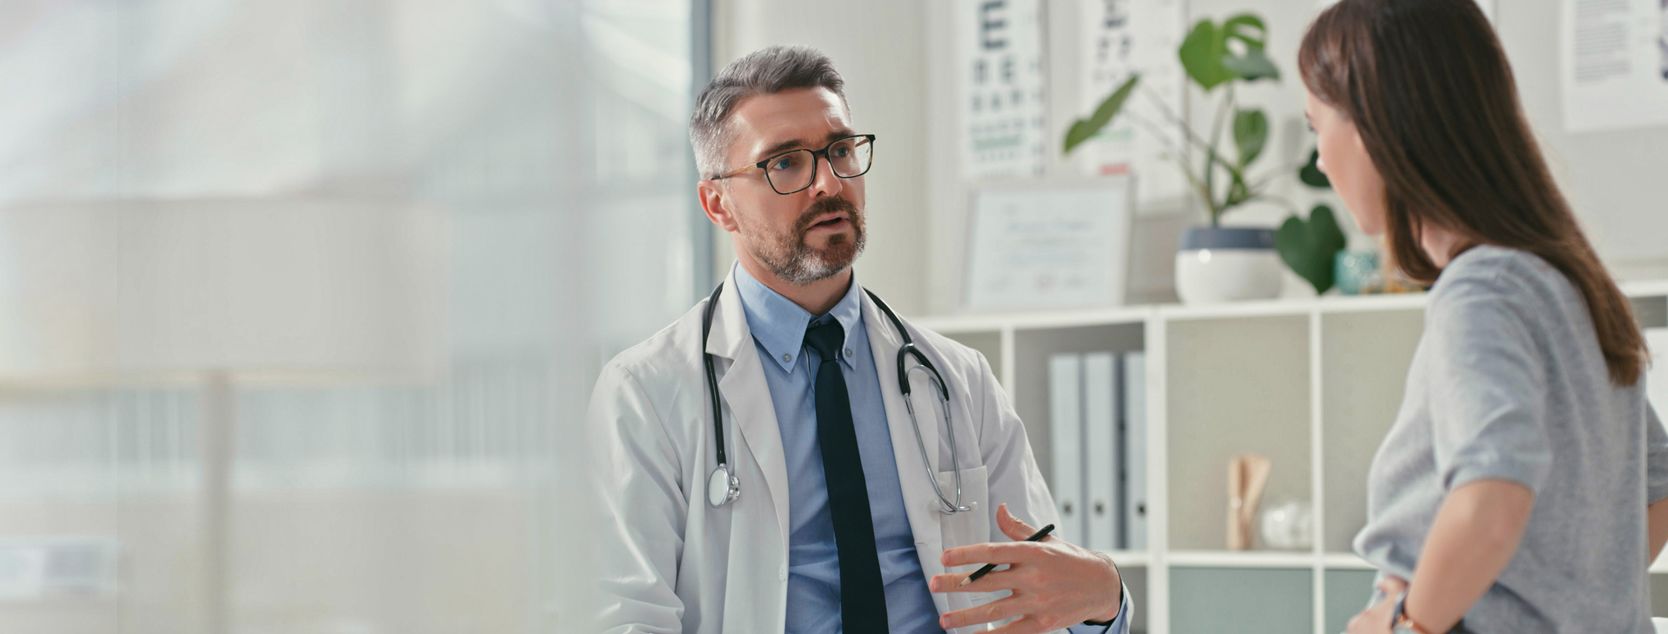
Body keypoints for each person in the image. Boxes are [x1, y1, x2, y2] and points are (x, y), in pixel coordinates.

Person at [585, 45, 1131, 633]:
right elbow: (627, 617)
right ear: (718, 204)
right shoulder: (647, 392)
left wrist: (1108, 600)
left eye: (840, 150)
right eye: (786, 163)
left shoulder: (956, 378)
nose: (828, 182)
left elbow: (1043, 594)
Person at [1298, 1, 1668, 632]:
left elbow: (1492, 498)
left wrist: (1406, 624)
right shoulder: (1568, 284)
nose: (1322, 162)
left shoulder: (1481, 294)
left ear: (1375, 125)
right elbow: (1658, 490)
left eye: (1316, 128)